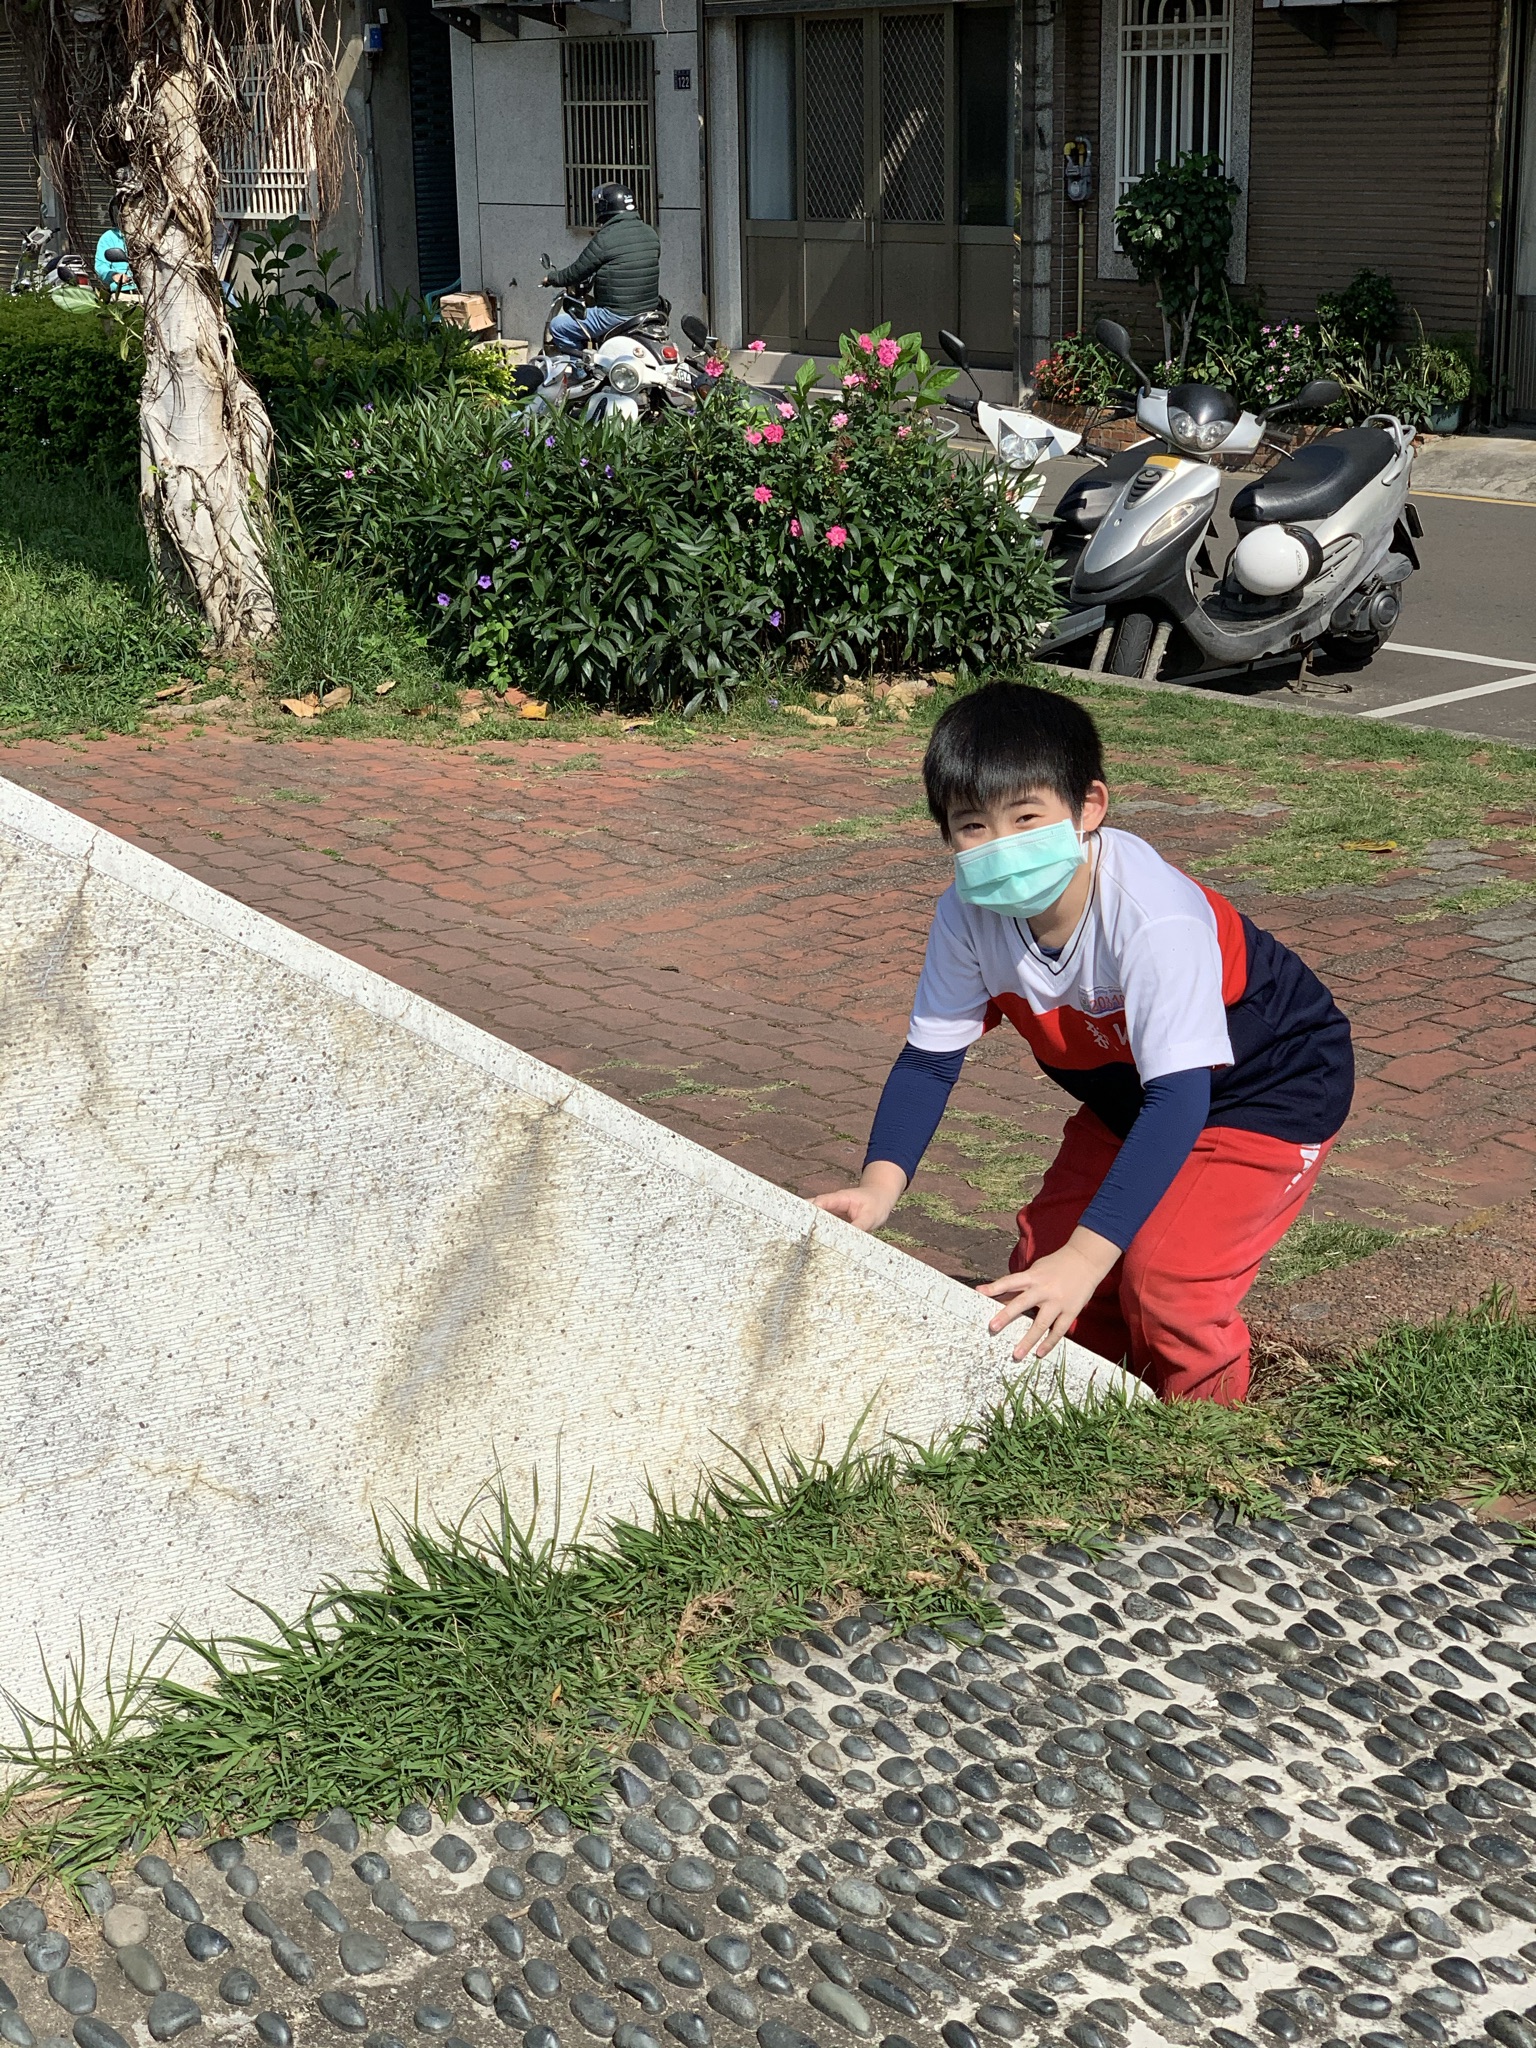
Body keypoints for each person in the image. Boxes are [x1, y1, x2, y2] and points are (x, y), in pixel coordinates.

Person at [813, 681, 1353, 1405]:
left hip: (1265, 1087)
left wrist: (1088, 1256)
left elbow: (1180, 1097)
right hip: (1132, 1093)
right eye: (972, 825)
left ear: (1088, 807)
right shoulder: (966, 915)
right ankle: (1083, 1419)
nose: (1001, 845)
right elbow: (929, 1063)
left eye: (1026, 817)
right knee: (1041, 1268)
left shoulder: (1153, 914)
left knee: (1166, 1285)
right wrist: (879, 1189)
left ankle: (1206, 1434)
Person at [542, 183, 661, 353]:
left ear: (605, 208)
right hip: (648, 311)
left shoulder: (606, 238)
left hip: (615, 315)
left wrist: (552, 278)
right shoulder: (650, 233)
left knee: (559, 326)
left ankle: (577, 367)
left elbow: (575, 273)